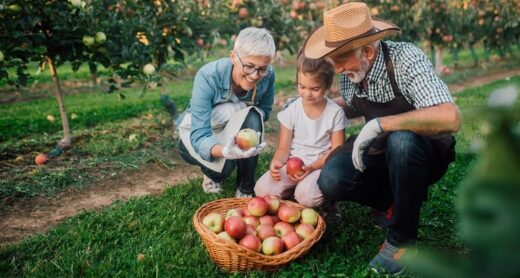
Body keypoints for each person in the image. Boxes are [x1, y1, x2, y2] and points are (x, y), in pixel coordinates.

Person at [303, 2, 461, 275]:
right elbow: (353, 105)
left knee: (401, 140)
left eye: (340, 60)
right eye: (333, 60)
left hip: (421, 152)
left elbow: (451, 117)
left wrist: (382, 125)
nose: (337, 69)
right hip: (381, 153)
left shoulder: (405, 59)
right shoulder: (351, 72)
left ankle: (401, 241)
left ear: (367, 51)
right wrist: (317, 103)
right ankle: (392, 201)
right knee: (332, 178)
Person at [176, 27, 276, 198]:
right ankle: (212, 174)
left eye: (262, 68)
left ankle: (245, 188)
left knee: (253, 114)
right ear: (233, 57)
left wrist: (239, 113)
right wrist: (224, 151)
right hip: (200, 129)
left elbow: (264, 112)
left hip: (232, 127)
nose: (255, 75)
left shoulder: (268, 75)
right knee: (222, 170)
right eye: (249, 66)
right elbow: (199, 133)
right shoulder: (208, 76)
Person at [254, 51, 346, 210]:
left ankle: (326, 203)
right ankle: (291, 191)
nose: (307, 94)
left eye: (315, 88)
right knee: (261, 190)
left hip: (319, 167)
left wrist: (312, 167)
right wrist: (277, 162)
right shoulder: (292, 110)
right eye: (302, 87)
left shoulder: (335, 113)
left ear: (327, 86)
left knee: (307, 198)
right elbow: (283, 148)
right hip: (293, 166)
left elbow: (336, 151)